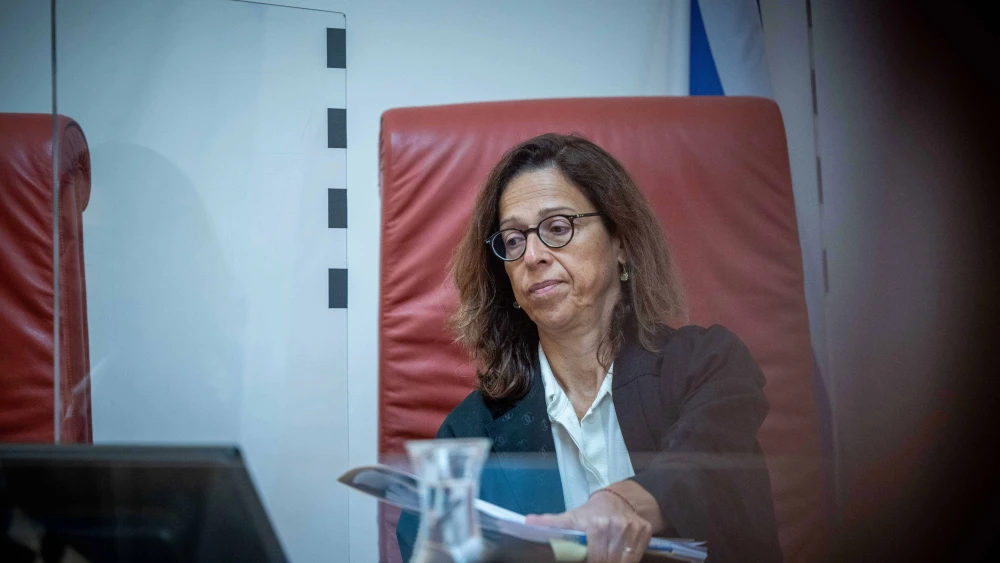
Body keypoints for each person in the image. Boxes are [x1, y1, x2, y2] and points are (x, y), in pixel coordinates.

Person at [397, 133, 782, 563]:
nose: (533, 256)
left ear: (621, 243)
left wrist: (625, 503)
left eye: (558, 228)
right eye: (513, 240)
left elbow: (709, 463)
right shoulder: (471, 429)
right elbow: (427, 545)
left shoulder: (706, 364)